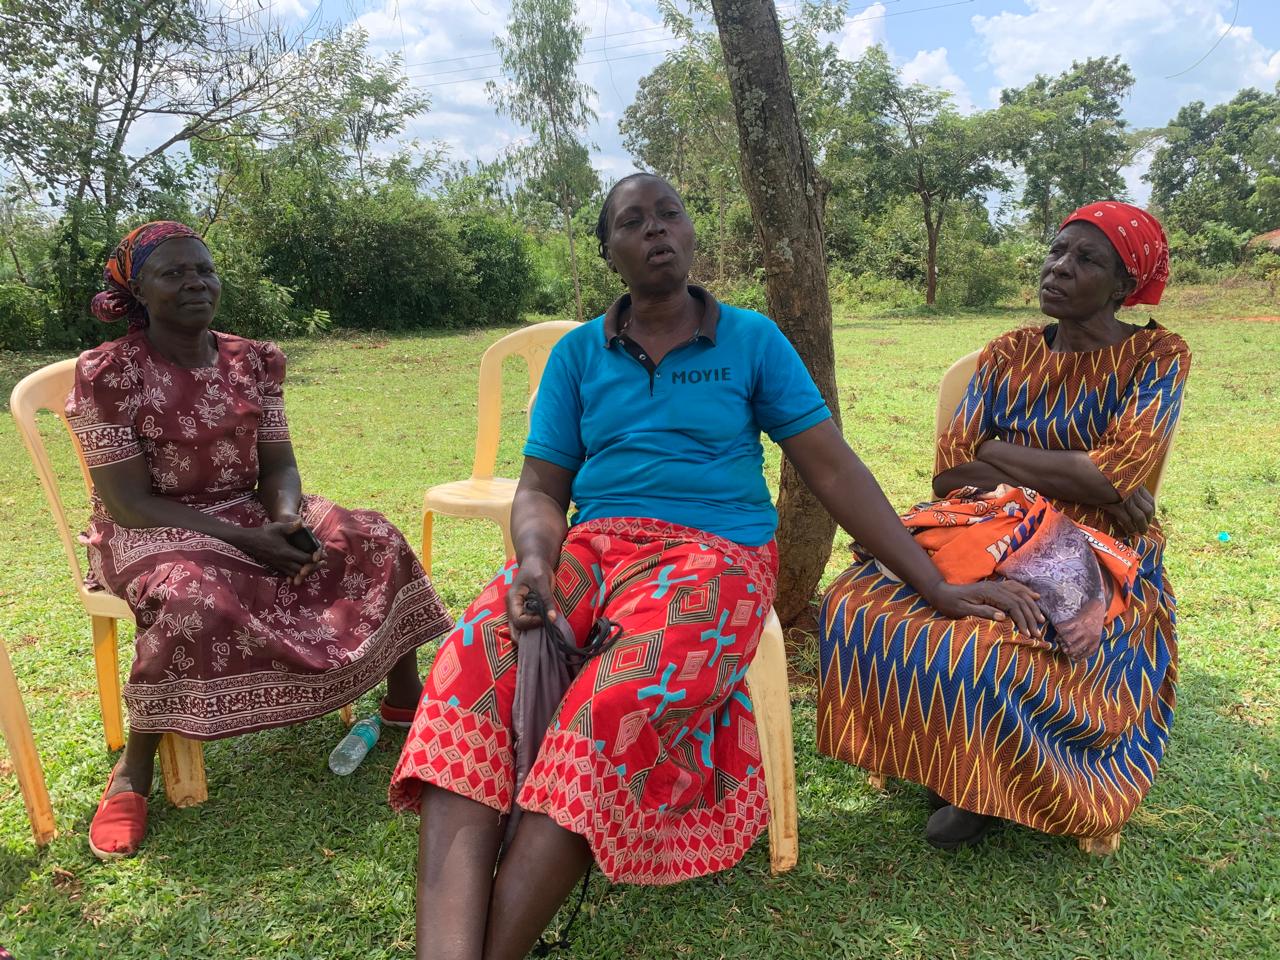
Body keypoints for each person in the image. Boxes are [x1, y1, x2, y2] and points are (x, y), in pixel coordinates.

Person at [389, 173, 1040, 959]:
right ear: (609, 251)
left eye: (670, 213)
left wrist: (930, 580)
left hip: (715, 556)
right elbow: (540, 489)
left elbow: (833, 469)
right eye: (633, 220)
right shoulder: (578, 355)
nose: (656, 229)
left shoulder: (751, 340)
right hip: (592, 547)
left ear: (691, 233)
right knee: (470, 661)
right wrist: (533, 561)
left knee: (613, 703)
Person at [67, 221, 454, 860]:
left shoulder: (252, 360)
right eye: (173, 272)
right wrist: (251, 541)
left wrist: (286, 521)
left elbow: (278, 465)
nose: (195, 282)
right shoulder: (111, 372)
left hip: (248, 510)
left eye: (204, 269)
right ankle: (133, 772)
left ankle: (403, 697)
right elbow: (128, 502)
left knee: (371, 536)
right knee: (190, 597)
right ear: (138, 289)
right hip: (149, 526)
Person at [817, 201, 1190, 850]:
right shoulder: (1009, 351)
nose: (1059, 267)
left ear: (1124, 286)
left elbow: (1112, 477)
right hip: (984, 520)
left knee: (989, 641)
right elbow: (950, 473)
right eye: (1057, 251)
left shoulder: (1156, 356)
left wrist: (997, 452)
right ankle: (929, 751)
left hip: (1095, 542)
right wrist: (1081, 474)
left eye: (1086, 259)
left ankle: (979, 787)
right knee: (854, 601)